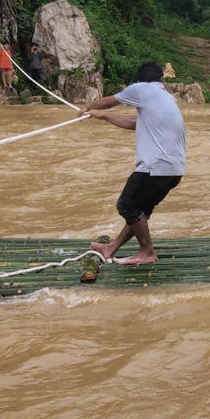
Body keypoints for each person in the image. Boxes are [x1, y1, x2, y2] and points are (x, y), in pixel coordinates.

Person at [81, 61, 186, 266]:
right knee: (140, 211)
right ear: (161, 80)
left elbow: (109, 101)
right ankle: (111, 248)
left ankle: (147, 251)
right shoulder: (164, 96)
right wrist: (103, 117)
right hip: (174, 169)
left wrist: (88, 108)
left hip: (155, 166)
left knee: (127, 206)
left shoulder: (141, 89)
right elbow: (134, 124)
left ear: (139, 80)